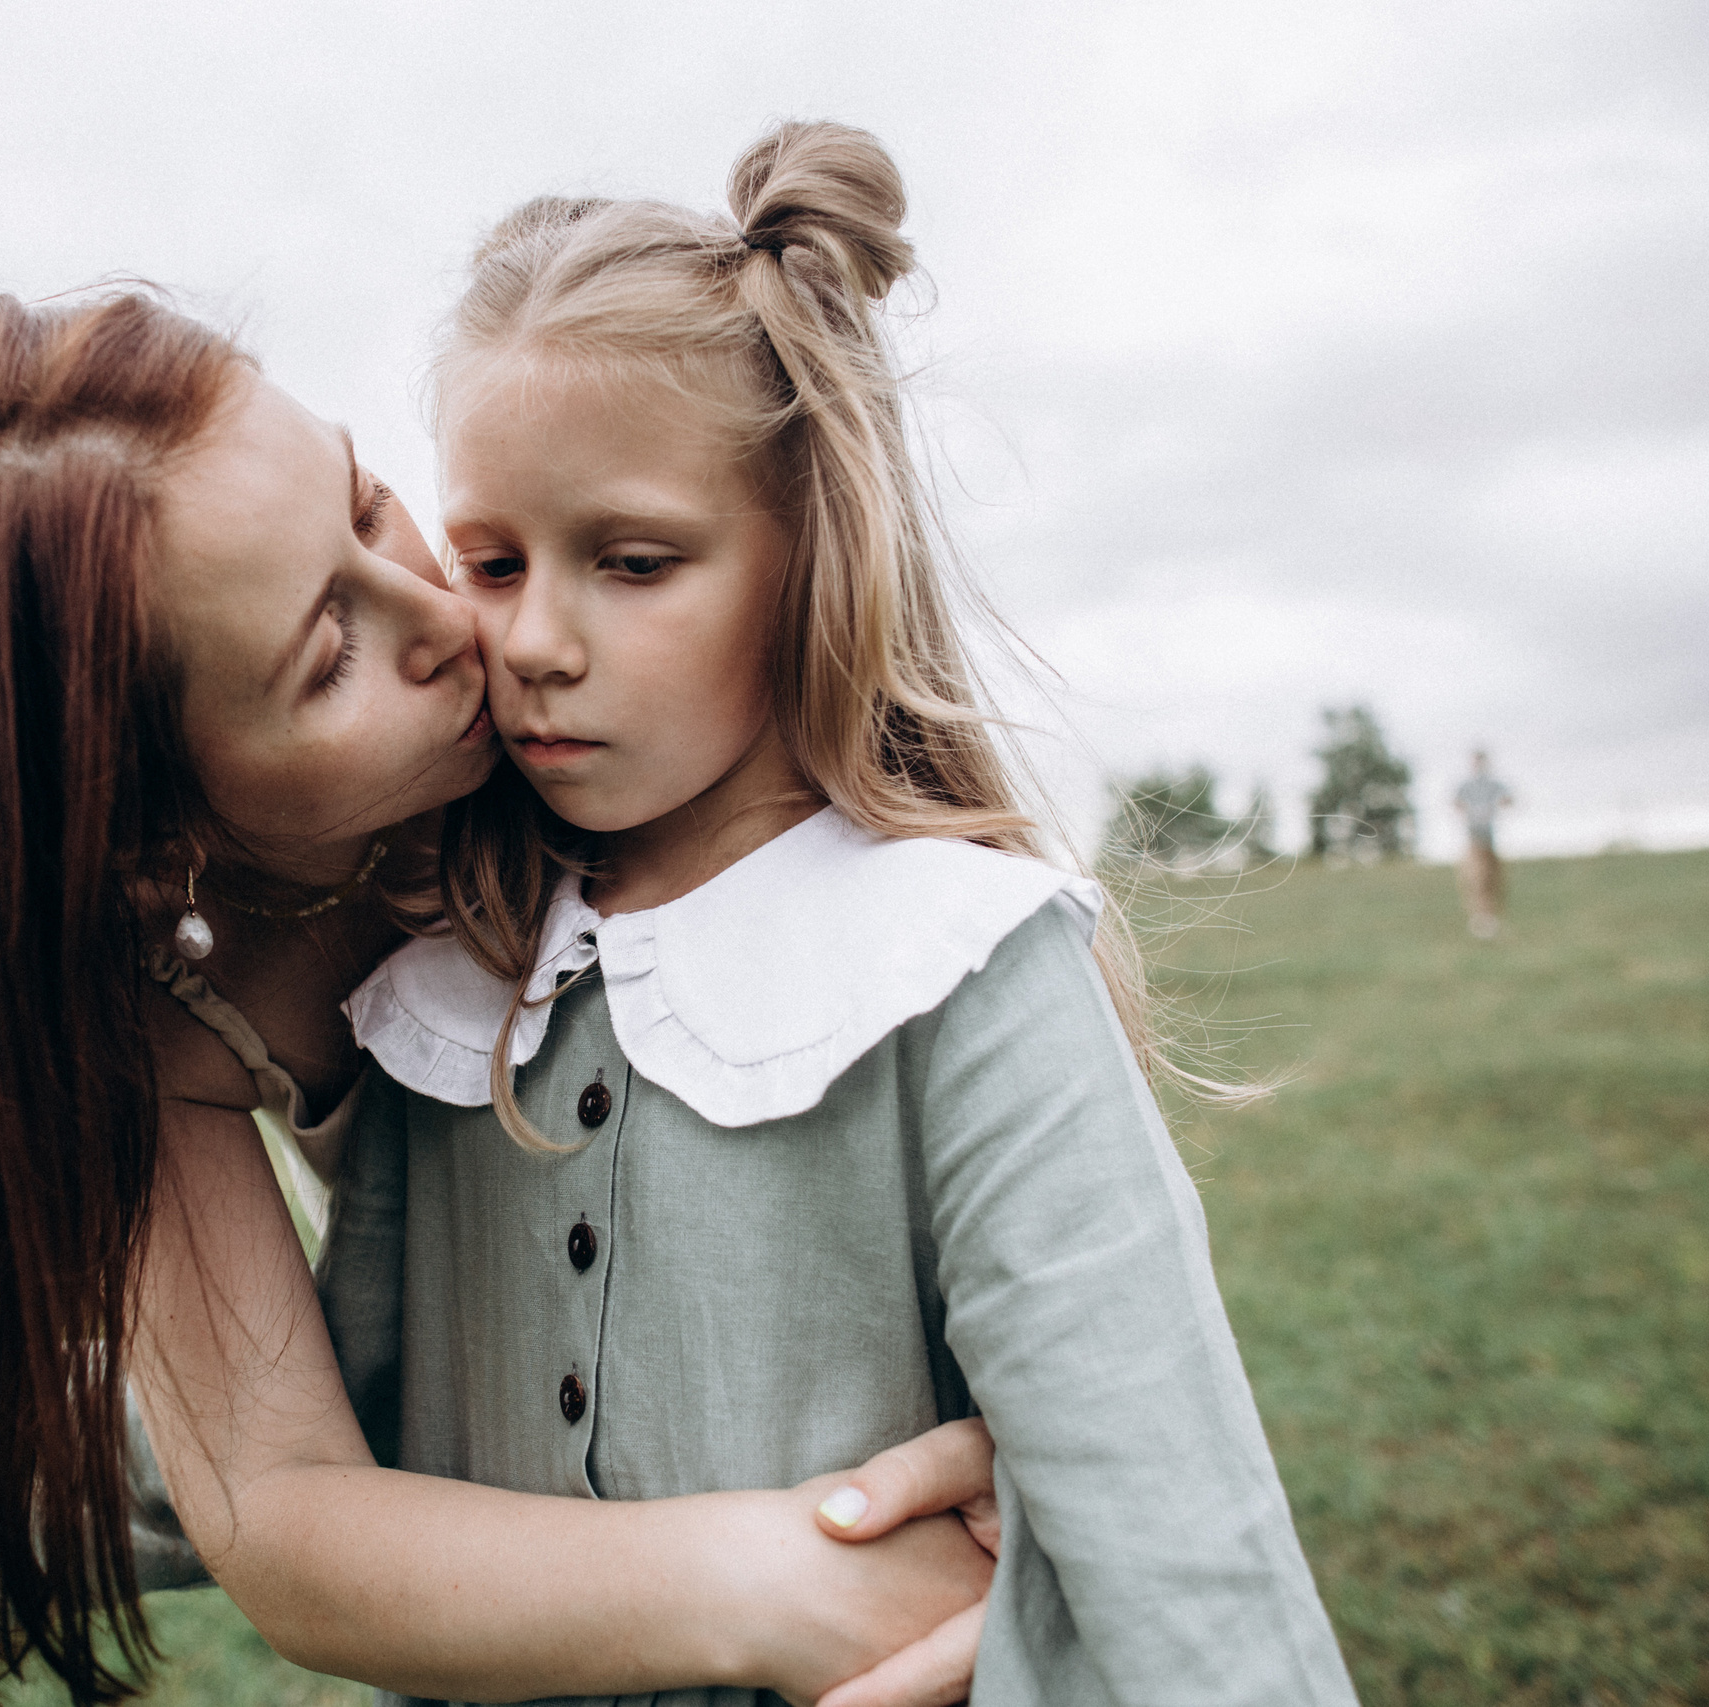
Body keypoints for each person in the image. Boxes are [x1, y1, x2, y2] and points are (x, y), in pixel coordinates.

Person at [0, 286, 1006, 1706]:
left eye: (368, 503)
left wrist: (1069, 1454)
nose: (454, 618)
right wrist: (784, 1583)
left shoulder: (625, 741)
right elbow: (287, 1483)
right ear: (144, 848)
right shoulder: (160, 993)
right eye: (326, 658)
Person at [316, 122, 1359, 1706]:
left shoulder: (963, 963)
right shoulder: (453, 986)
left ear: (809, 555)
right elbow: (280, 1449)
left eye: (634, 561)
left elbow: (1183, 1563)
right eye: (492, 559)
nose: (532, 638)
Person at [1454, 750, 1513, 938]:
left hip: (1489, 834)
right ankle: (1478, 914)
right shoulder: (1467, 786)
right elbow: (1456, 803)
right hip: (1474, 834)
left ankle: (1490, 914)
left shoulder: (1492, 784)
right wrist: (1470, 811)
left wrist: (1496, 805)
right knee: (1476, 875)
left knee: (1491, 876)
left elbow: (1508, 799)